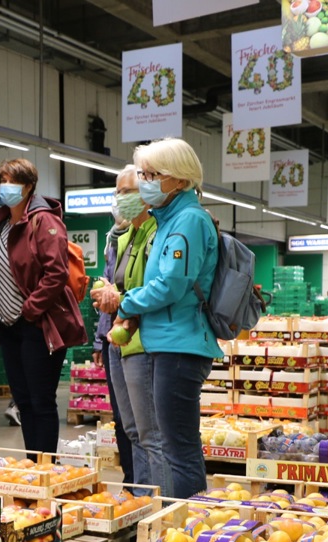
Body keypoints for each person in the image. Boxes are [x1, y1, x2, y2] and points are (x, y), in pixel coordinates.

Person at [106, 138, 222, 499]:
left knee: (178, 448)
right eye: (142, 174)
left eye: (152, 175)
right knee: (172, 445)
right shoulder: (169, 220)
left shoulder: (188, 221)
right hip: (167, 342)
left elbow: (171, 285)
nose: (144, 182)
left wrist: (126, 303)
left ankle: (188, 528)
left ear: (180, 180)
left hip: (181, 345)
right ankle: (178, 522)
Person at [0, 158, 87, 454]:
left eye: (12, 181)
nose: (6, 187)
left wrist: (29, 309)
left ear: (29, 186)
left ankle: (46, 468)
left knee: (40, 400)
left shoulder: (43, 221)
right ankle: (33, 466)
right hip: (9, 325)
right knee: (23, 400)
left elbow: (56, 272)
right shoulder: (3, 224)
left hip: (37, 324)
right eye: (2, 180)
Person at [93, 166, 169, 495]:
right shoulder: (126, 236)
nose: (120, 199)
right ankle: (141, 499)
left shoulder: (158, 233)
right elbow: (123, 283)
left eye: (128, 191)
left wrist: (119, 300)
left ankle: (162, 505)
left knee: (151, 435)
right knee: (132, 431)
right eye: (117, 192)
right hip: (118, 343)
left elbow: (155, 288)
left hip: (143, 344)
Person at [93, 206, 135, 485]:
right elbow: (105, 300)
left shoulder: (146, 237)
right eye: (117, 193)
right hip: (113, 339)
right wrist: (99, 339)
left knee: (138, 422)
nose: (119, 202)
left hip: (136, 336)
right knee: (121, 418)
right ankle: (131, 479)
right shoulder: (113, 243)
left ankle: (142, 482)